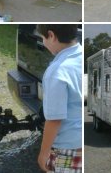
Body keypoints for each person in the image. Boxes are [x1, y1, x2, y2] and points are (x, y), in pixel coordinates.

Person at [36, 24, 82, 173]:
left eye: (43, 38)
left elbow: (54, 119)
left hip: (68, 149)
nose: (43, 42)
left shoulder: (57, 71)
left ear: (51, 35)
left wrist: (43, 154)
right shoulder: (81, 54)